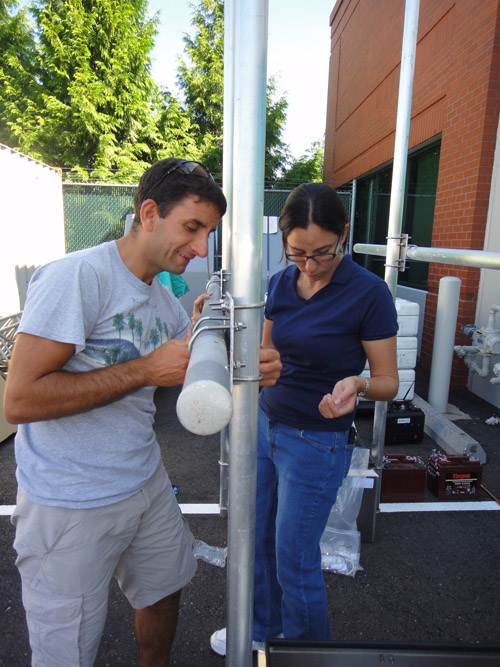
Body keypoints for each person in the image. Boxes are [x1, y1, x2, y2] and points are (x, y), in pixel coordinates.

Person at [3, 157, 281, 667]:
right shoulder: (78, 277)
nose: (201, 248)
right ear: (149, 212)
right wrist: (143, 371)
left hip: (143, 481)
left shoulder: (163, 300)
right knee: (66, 648)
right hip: (70, 501)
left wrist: (243, 363)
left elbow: (192, 369)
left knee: (164, 588)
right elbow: (20, 400)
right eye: (192, 228)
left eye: (208, 233)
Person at [211, 182, 399, 655]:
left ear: (345, 235)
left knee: (294, 558)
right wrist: (256, 361)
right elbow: (266, 350)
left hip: (316, 442)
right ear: (284, 240)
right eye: (298, 253)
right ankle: (262, 631)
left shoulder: (369, 293)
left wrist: (355, 385)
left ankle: (307, 656)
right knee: (255, 540)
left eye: (323, 253)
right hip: (264, 426)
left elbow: (389, 381)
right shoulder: (279, 283)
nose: (311, 265)